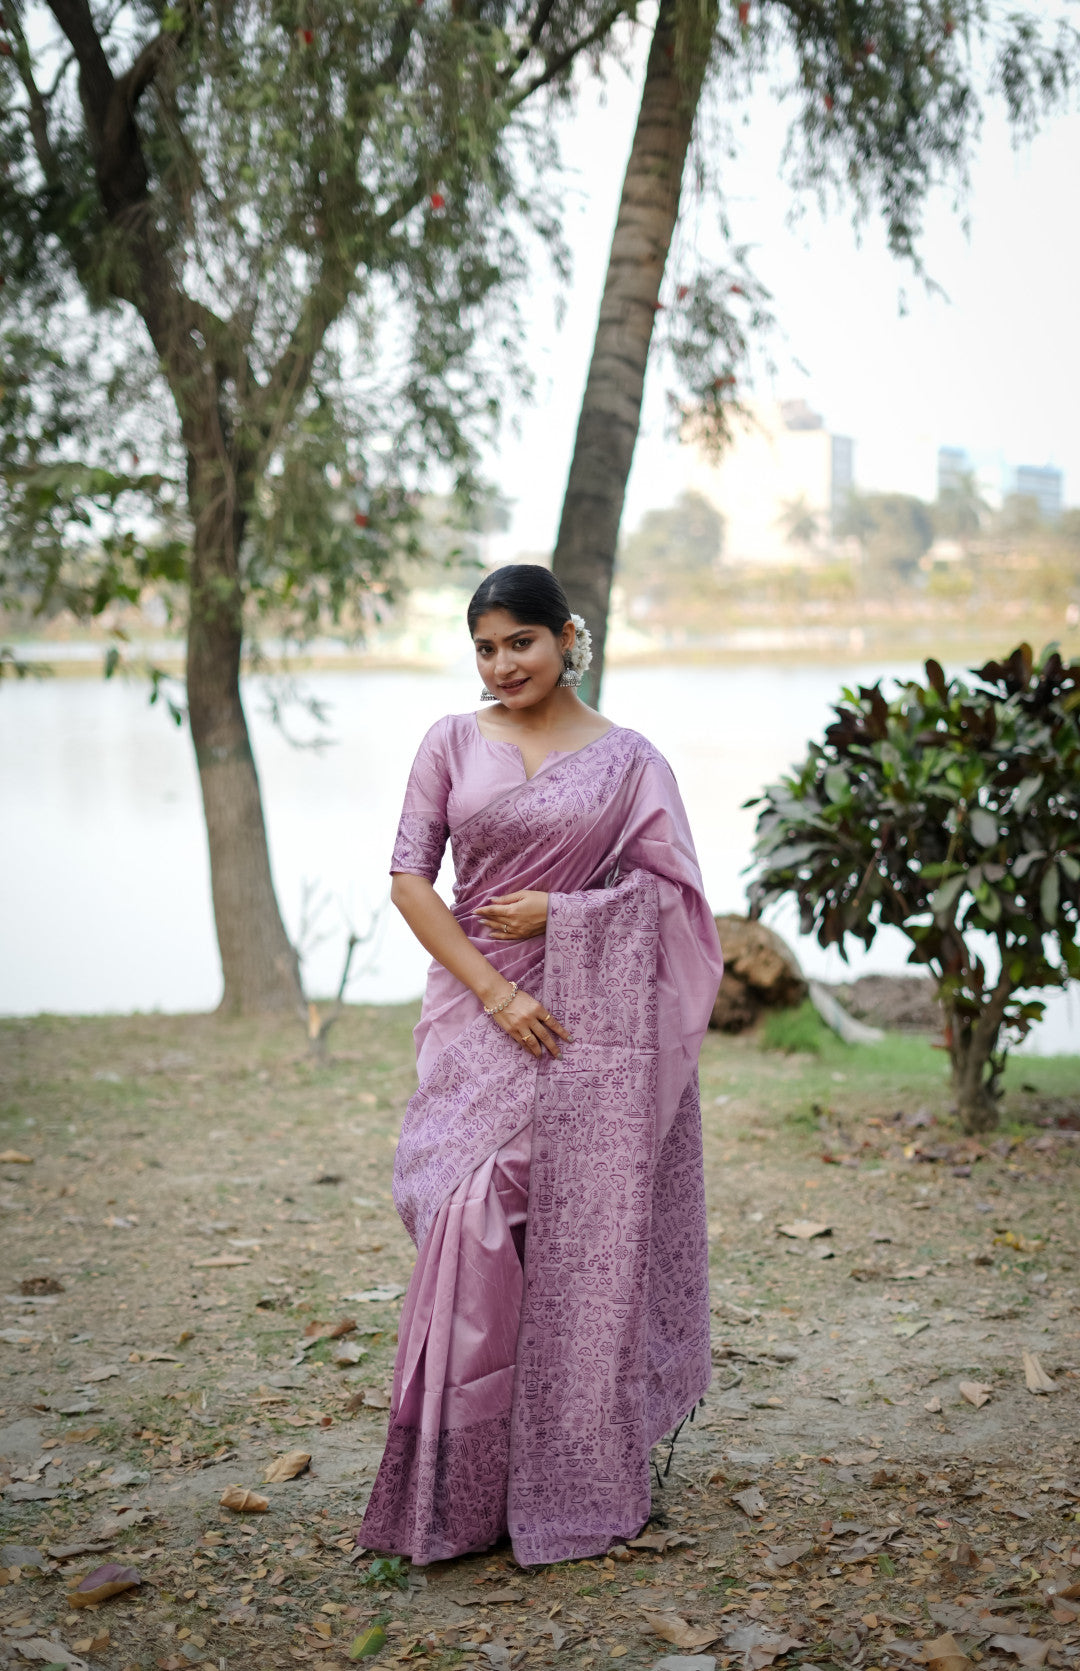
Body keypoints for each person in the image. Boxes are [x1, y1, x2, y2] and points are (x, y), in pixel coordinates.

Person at [359, 565, 723, 1568]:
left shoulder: (629, 763)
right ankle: (468, 1480)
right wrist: (496, 990)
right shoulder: (450, 741)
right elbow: (407, 878)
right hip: (479, 1008)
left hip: (583, 1026)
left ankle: (550, 1466)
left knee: (522, 1222)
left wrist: (566, 916)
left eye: (520, 641)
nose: (501, 664)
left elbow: (677, 905)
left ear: (569, 638)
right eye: (484, 646)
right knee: (457, 1210)